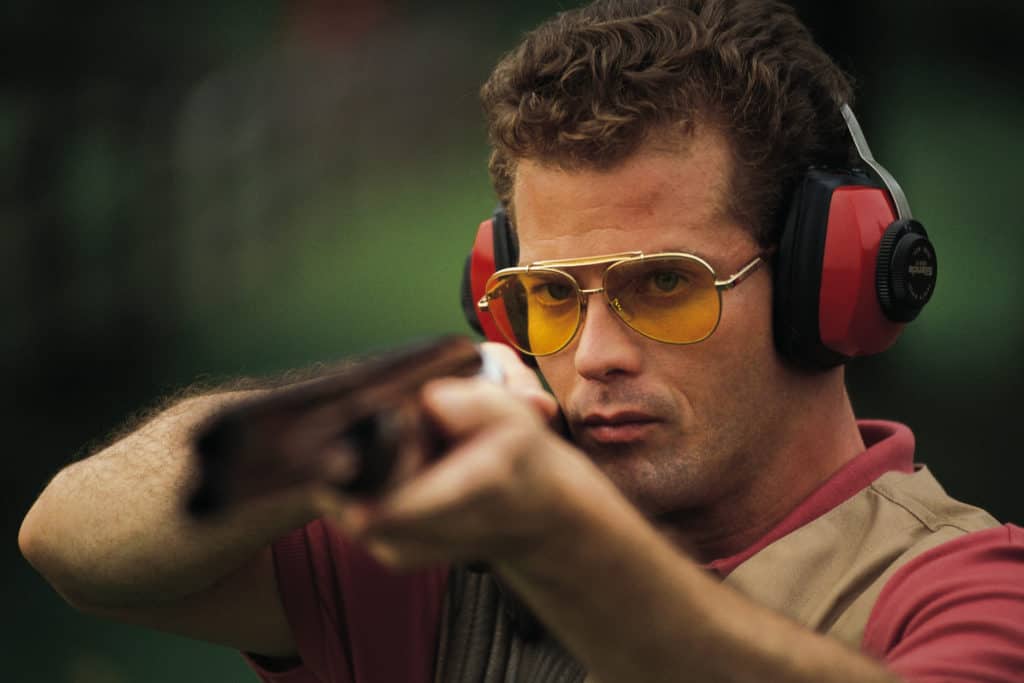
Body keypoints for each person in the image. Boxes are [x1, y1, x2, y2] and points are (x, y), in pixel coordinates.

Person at [19, 1, 1024, 682]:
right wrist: (352, 418)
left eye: (663, 285)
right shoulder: (453, 562)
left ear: (830, 281)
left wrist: (559, 539)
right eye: (545, 296)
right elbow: (72, 540)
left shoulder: (963, 589)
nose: (592, 355)